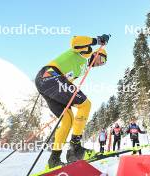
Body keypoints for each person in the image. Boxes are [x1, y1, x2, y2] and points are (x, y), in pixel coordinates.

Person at [35, 34, 110, 168]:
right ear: (97, 53)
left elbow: (66, 84)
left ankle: (54, 159)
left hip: (47, 82)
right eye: (101, 59)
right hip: (50, 76)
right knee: (85, 105)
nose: (100, 64)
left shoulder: (82, 69)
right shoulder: (86, 52)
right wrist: (97, 40)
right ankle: (75, 149)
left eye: (103, 64)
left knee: (67, 120)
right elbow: (75, 41)